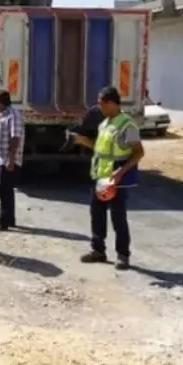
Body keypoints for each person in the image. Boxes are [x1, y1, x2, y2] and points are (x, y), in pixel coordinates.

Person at [70, 87, 145, 270]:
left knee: (118, 217)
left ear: (112, 103)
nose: (99, 107)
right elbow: (100, 149)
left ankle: (123, 255)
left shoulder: (128, 125)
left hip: (116, 179)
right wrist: (83, 141)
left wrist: (120, 173)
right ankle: (98, 250)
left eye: (102, 103)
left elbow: (138, 152)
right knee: (97, 215)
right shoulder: (104, 124)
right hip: (101, 178)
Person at [0, 91, 24, 231]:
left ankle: (3, 223)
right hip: (1, 159)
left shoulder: (12, 115)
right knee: (7, 190)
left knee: (3, 189)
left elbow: (15, 138)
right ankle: (10, 220)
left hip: (7, 160)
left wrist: (10, 159)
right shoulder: (4, 115)